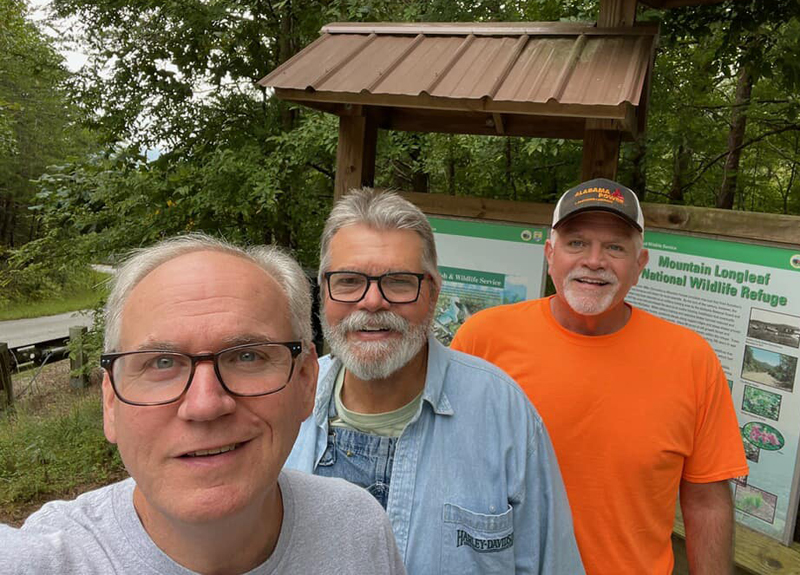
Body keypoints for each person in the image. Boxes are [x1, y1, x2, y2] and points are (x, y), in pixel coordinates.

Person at [0, 234, 405, 575]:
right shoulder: (43, 560)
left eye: (247, 356)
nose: (206, 404)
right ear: (110, 403)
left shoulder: (358, 529)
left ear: (305, 382)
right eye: (161, 363)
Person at [451, 178, 748, 575]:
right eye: (576, 243)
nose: (594, 260)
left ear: (639, 266)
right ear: (550, 254)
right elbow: (442, 466)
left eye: (615, 247)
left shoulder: (692, 359)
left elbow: (707, 499)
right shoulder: (482, 339)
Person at [285, 189, 584, 575]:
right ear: (324, 292)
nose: (373, 301)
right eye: (348, 280)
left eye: (398, 281)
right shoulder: (281, 401)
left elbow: (553, 565)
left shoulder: (503, 412)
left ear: (433, 293)